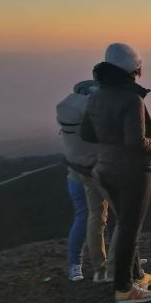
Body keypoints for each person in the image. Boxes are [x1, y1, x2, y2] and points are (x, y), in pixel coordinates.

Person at [80, 43, 151, 303]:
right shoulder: (131, 99)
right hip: (131, 172)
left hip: (104, 170)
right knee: (130, 228)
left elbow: (87, 134)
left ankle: (137, 276)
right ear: (133, 69)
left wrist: (109, 141)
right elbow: (136, 143)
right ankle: (124, 289)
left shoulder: (95, 95)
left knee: (124, 224)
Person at [56, 80, 111, 282]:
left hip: (73, 175)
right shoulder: (90, 116)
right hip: (94, 174)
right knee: (103, 217)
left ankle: (75, 264)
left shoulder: (67, 117)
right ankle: (113, 262)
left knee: (85, 218)